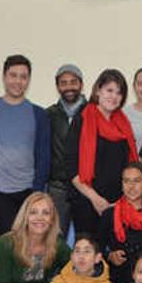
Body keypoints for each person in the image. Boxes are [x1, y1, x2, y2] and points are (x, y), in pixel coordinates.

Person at [0, 54, 51, 237]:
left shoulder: (38, 114)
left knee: (30, 247)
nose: (18, 81)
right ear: (4, 77)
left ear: (29, 80)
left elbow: (43, 156)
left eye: (23, 77)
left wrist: (37, 194)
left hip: (28, 194)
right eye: (13, 75)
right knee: (12, 244)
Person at [68, 69, 138, 236]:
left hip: (118, 204)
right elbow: (70, 167)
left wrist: (123, 200)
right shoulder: (83, 119)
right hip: (87, 203)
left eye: (119, 93)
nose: (113, 96)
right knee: (89, 256)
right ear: (98, 90)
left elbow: (128, 164)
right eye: (109, 90)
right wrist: (95, 199)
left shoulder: (123, 123)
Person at [98, 163, 142, 283]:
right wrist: (110, 256)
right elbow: (96, 249)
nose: (131, 186)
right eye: (126, 181)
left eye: (136, 181)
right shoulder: (109, 215)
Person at [47, 64, 87, 237]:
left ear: (81, 84)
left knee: (86, 239)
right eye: (63, 83)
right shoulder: (49, 115)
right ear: (57, 87)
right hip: (58, 187)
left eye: (73, 82)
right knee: (54, 241)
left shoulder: (92, 112)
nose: (69, 87)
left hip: (86, 187)